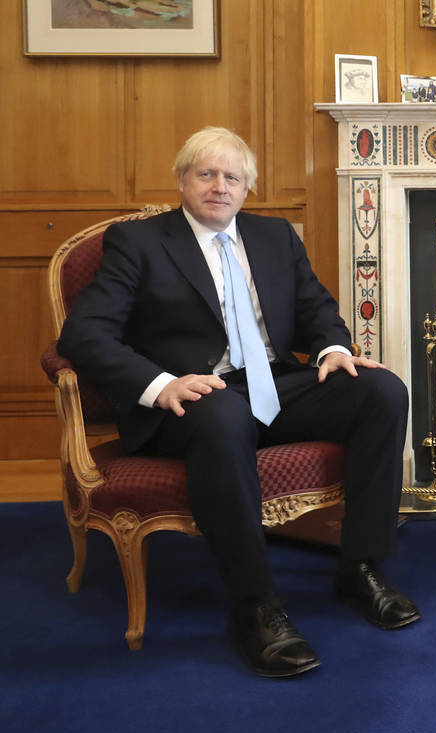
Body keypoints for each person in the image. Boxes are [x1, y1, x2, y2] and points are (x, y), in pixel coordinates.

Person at [57, 126, 417, 678]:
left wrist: (334, 347)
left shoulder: (275, 237)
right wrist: (161, 384)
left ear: (247, 188)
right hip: (191, 398)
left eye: (232, 177)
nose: (219, 186)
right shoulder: (141, 242)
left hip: (273, 383)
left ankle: (360, 567)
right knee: (223, 411)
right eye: (206, 174)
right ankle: (255, 605)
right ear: (182, 181)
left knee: (381, 390)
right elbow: (84, 335)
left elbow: (316, 309)